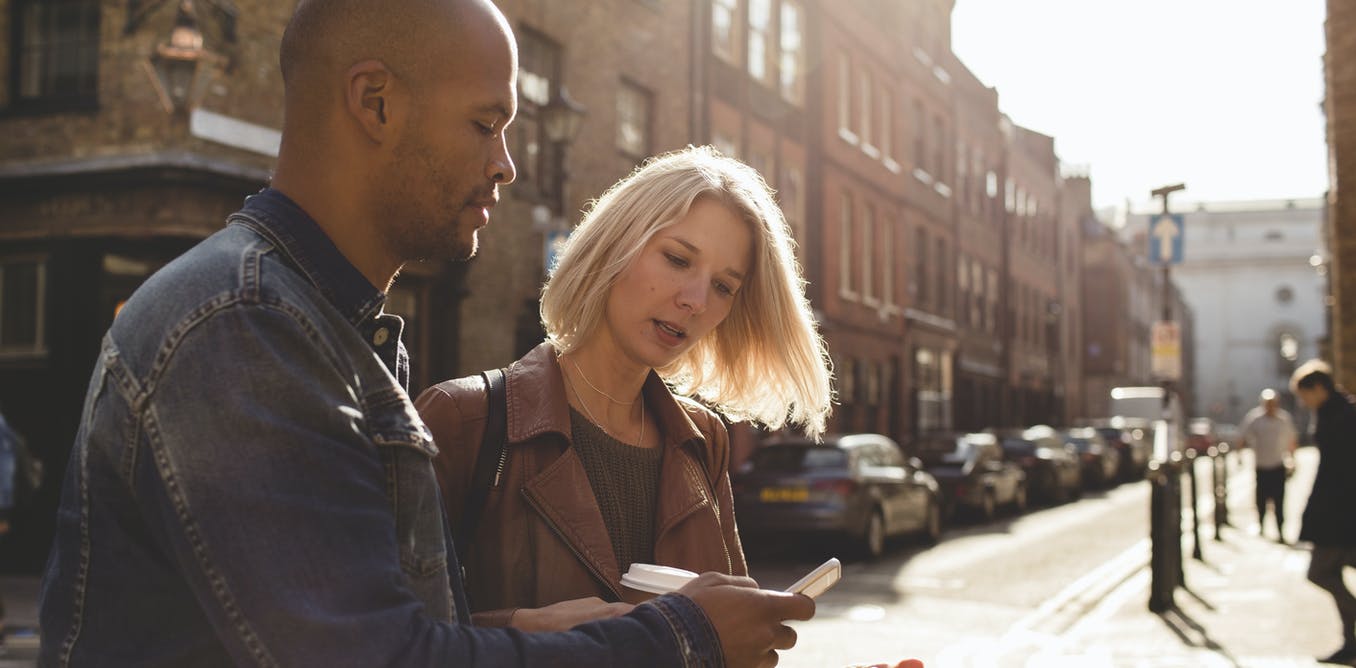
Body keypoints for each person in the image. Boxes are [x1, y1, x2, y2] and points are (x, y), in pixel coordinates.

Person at [38, 1, 813, 665]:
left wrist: (519, 628)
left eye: (723, 286)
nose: (507, 165)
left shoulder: (330, 335)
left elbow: (396, 630)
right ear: (375, 102)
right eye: (485, 123)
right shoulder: (244, 327)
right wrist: (680, 635)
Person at [416, 147, 833, 629]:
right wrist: (530, 634)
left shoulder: (703, 443)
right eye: (677, 259)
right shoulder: (462, 419)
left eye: (723, 287)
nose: (695, 300)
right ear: (615, 246)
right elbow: (384, 643)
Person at [1290, 360, 1356, 665]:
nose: (1304, 403)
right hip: (1338, 513)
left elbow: (1335, 472)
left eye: (1305, 396)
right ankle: (1350, 642)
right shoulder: (1334, 412)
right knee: (1326, 572)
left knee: (1320, 572)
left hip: (1340, 514)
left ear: (1318, 389)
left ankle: (1351, 641)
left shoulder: (1340, 416)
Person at [1238, 388, 1298, 542]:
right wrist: (1239, 456)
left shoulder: (1284, 419)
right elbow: (1242, 436)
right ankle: (1261, 525)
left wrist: (1292, 459)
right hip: (1261, 465)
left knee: (1279, 501)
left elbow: (1292, 440)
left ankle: (1280, 530)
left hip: (1278, 465)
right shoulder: (1254, 419)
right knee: (1261, 499)